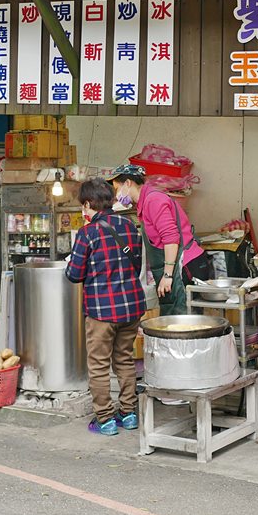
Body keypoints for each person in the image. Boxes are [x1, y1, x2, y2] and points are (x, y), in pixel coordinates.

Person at [66, 178, 147, 436]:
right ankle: (129, 413)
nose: (82, 210)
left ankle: (105, 419)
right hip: (131, 307)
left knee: (99, 365)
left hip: (102, 310)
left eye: (83, 206)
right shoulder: (130, 226)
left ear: (89, 204)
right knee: (124, 359)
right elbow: (136, 266)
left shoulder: (88, 233)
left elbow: (74, 274)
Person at [108, 164, 213, 315]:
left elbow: (171, 238)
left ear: (128, 183)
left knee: (183, 321)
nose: (117, 195)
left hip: (184, 266)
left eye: (117, 189)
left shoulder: (154, 200)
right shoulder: (144, 203)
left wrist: (167, 275)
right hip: (174, 267)